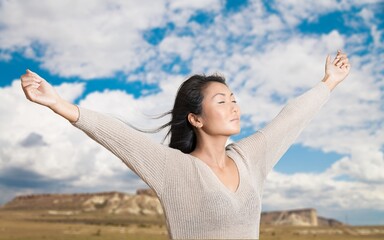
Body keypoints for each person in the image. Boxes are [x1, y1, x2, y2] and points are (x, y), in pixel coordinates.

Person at [20, 51, 350, 239]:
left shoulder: (251, 158)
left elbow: (289, 119)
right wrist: (59, 103)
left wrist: (328, 83)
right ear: (196, 118)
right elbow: (119, 135)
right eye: (222, 101)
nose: (234, 106)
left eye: (234, 99)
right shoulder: (175, 170)